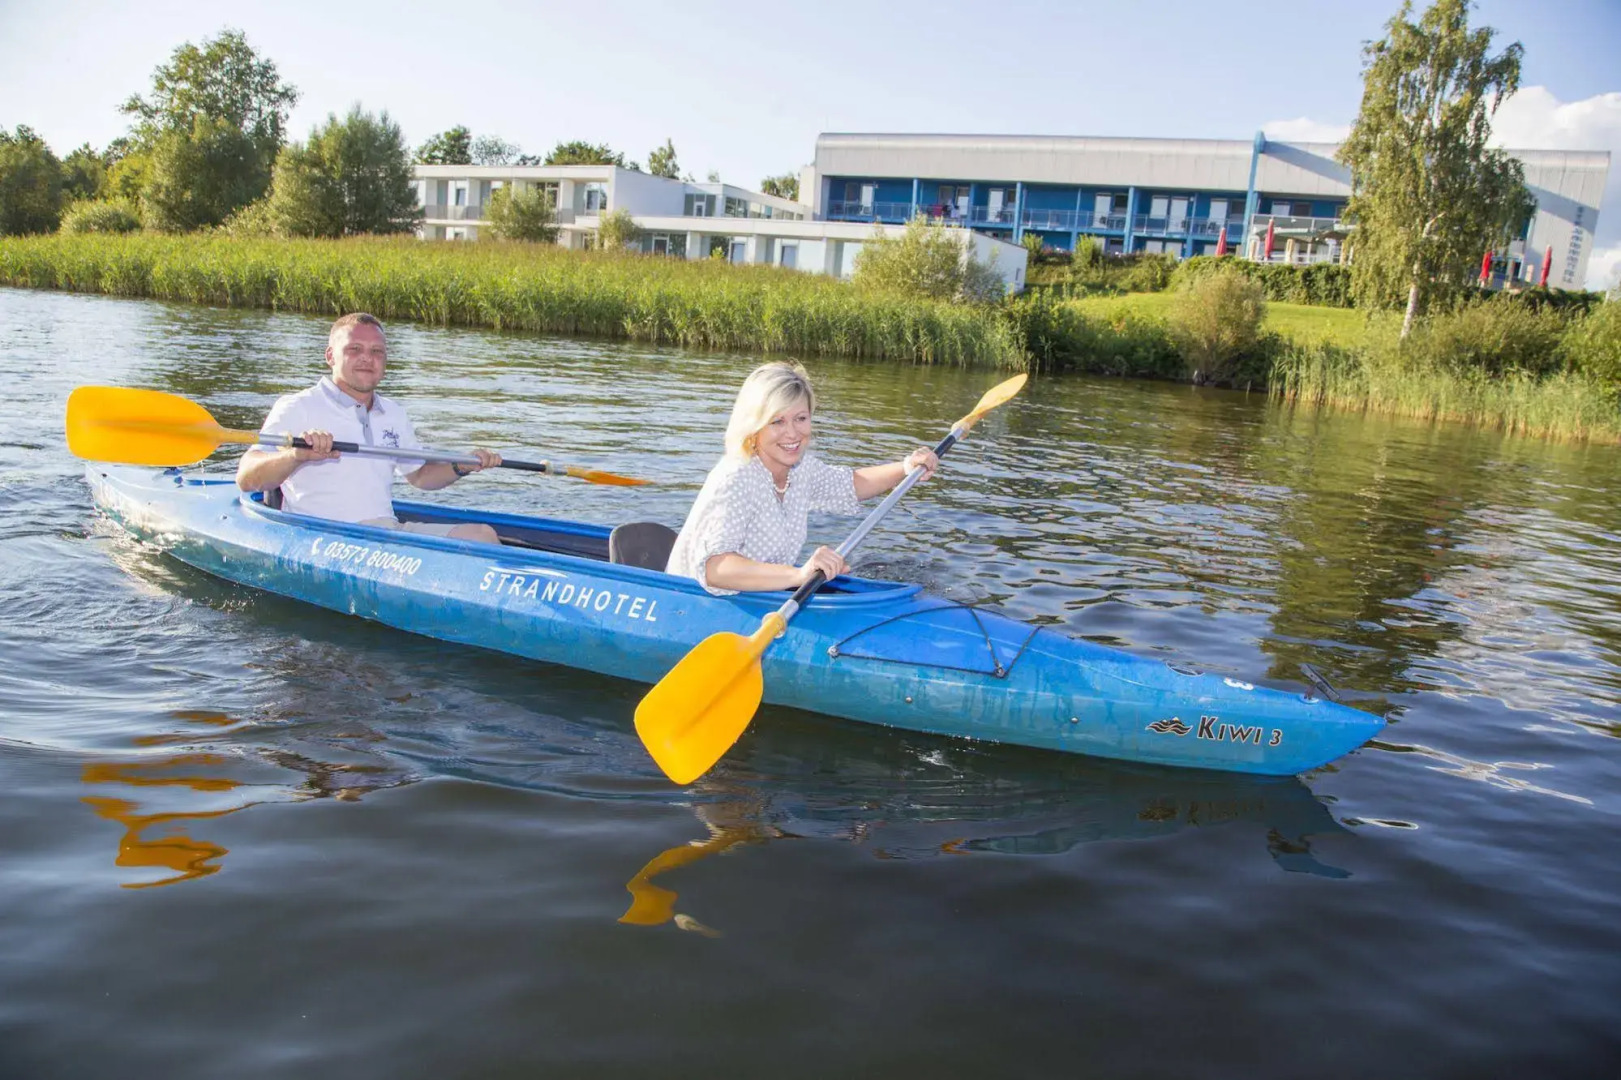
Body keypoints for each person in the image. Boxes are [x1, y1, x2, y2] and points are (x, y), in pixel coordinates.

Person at [666, 361, 938, 594]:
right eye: (777, 421)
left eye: (801, 418)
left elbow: (851, 485)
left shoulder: (801, 470)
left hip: (758, 596)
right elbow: (716, 569)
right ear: (753, 427)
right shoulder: (736, 477)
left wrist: (906, 467)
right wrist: (799, 575)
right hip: (693, 601)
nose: (793, 433)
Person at [236, 312, 503, 543]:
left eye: (377, 351)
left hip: (385, 533)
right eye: (355, 349)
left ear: (385, 362)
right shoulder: (297, 406)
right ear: (331, 356)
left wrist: (461, 466)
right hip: (324, 537)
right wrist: (296, 455)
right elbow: (248, 477)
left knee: (483, 536)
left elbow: (420, 476)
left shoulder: (394, 413)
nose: (367, 358)